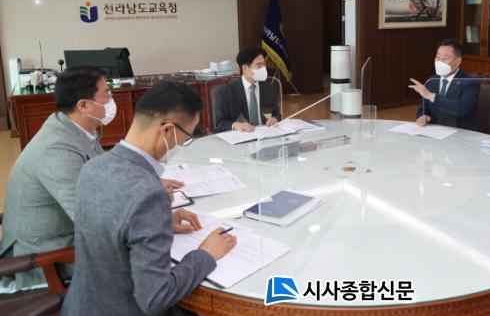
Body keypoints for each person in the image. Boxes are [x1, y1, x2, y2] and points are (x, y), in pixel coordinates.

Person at [62, 81, 236, 315]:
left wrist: (160, 222)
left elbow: (112, 228)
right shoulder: (149, 193)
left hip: (82, 305)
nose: (183, 144)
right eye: (186, 136)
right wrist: (205, 254)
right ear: (167, 130)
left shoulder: (93, 166)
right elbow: (155, 298)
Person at [0, 67, 110, 292]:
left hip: (62, 233)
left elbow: (102, 173)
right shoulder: (57, 149)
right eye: (107, 94)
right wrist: (153, 217)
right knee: (143, 252)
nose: (111, 100)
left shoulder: (72, 127)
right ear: (83, 105)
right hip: (42, 256)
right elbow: (93, 220)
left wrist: (140, 185)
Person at [409, 38, 480, 131]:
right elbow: (423, 109)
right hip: (435, 132)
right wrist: (424, 117)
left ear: (458, 61)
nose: (439, 62)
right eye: (437, 57)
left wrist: (431, 96)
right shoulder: (431, 81)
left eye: (445, 58)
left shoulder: (470, 82)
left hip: (460, 132)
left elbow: (461, 108)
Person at [214, 45, 282, 132]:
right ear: (245, 68)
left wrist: (275, 118)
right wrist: (235, 125)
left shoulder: (269, 88)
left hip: (265, 132)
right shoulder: (227, 91)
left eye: (264, 65)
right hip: (241, 135)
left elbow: (276, 113)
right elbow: (220, 122)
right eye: (259, 66)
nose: (263, 69)